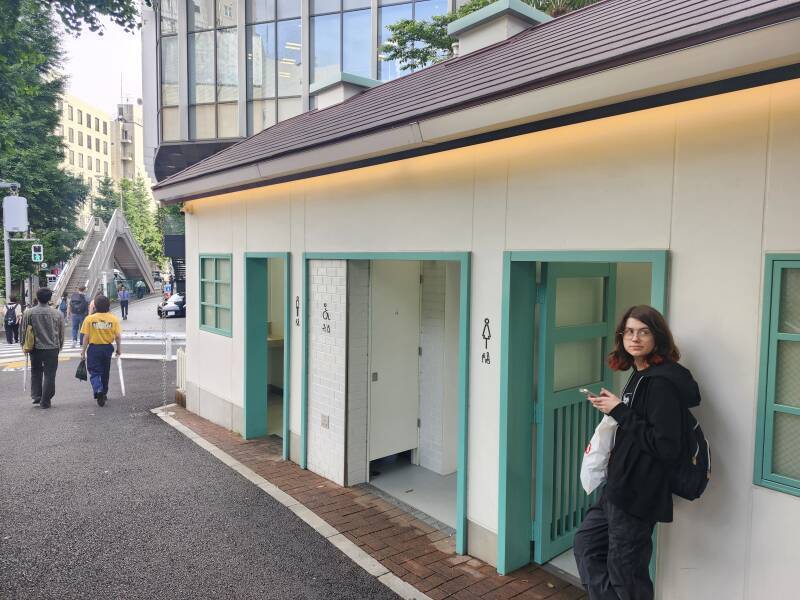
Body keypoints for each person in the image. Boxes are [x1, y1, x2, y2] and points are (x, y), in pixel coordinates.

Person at [573, 305, 700, 600]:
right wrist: (617, 409)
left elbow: (666, 447)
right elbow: (636, 424)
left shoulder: (661, 384)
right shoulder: (640, 374)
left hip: (638, 493)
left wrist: (619, 410)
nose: (635, 338)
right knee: (586, 546)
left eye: (644, 332)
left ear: (658, 337)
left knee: (627, 575)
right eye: (629, 331)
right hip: (617, 488)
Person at [20, 288, 65, 409]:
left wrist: (23, 345)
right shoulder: (57, 313)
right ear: (50, 298)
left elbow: (23, 330)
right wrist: (60, 345)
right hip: (52, 348)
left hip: (35, 348)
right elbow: (61, 331)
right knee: (50, 374)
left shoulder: (29, 313)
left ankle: (37, 396)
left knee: (36, 371)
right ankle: (46, 400)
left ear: (37, 298)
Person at [80, 294, 121, 407]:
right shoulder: (113, 319)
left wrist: (83, 351)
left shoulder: (89, 319)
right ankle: (104, 392)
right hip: (107, 348)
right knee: (105, 371)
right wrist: (119, 349)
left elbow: (86, 337)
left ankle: (98, 389)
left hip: (94, 348)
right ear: (108, 305)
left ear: (95, 306)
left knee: (94, 372)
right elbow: (117, 336)